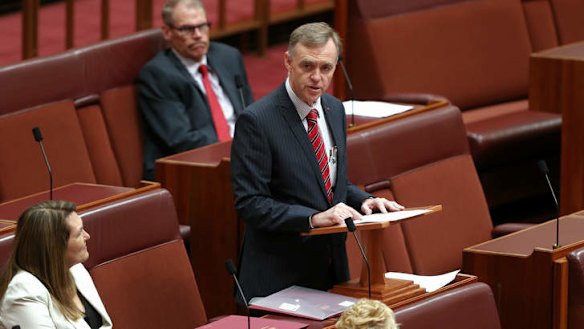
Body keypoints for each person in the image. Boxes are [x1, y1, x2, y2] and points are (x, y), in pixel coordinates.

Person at [230, 22, 404, 302]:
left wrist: (363, 200)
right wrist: (311, 219)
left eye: (326, 68)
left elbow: (330, 183)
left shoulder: (334, 109)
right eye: (307, 66)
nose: (317, 78)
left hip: (331, 270)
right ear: (288, 61)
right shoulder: (258, 121)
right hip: (279, 278)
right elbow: (250, 203)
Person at [137, 0, 254, 180]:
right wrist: (238, 151)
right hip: (193, 168)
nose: (198, 35)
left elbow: (250, 111)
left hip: (241, 156)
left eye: (202, 26)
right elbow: (181, 140)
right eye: (187, 29)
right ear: (167, 32)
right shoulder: (157, 75)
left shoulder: (229, 57)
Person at [0, 201, 113, 329]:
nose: (87, 236)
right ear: (55, 247)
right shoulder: (23, 293)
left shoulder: (76, 269)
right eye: (78, 233)